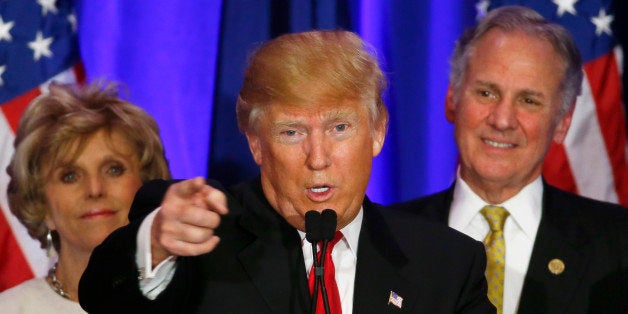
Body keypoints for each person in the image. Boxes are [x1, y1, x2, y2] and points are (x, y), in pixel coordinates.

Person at [79, 30, 495, 313]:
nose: (318, 157)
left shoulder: (447, 264)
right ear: (256, 143)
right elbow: (102, 295)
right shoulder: (199, 246)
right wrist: (155, 244)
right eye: (291, 132)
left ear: (377, 132)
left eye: (339, 128)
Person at [390, 6, 628, 314]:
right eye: (487, 93)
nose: (502, 120)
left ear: (562, 123)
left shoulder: (618, 246)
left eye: (528, 101)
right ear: (452, 99)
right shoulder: (383, 240)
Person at [0, 81, 171, 313]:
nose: (95, 189)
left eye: (113, 169)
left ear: (147, 185)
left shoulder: (197, 302)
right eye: (70, 176)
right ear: (42, 205)